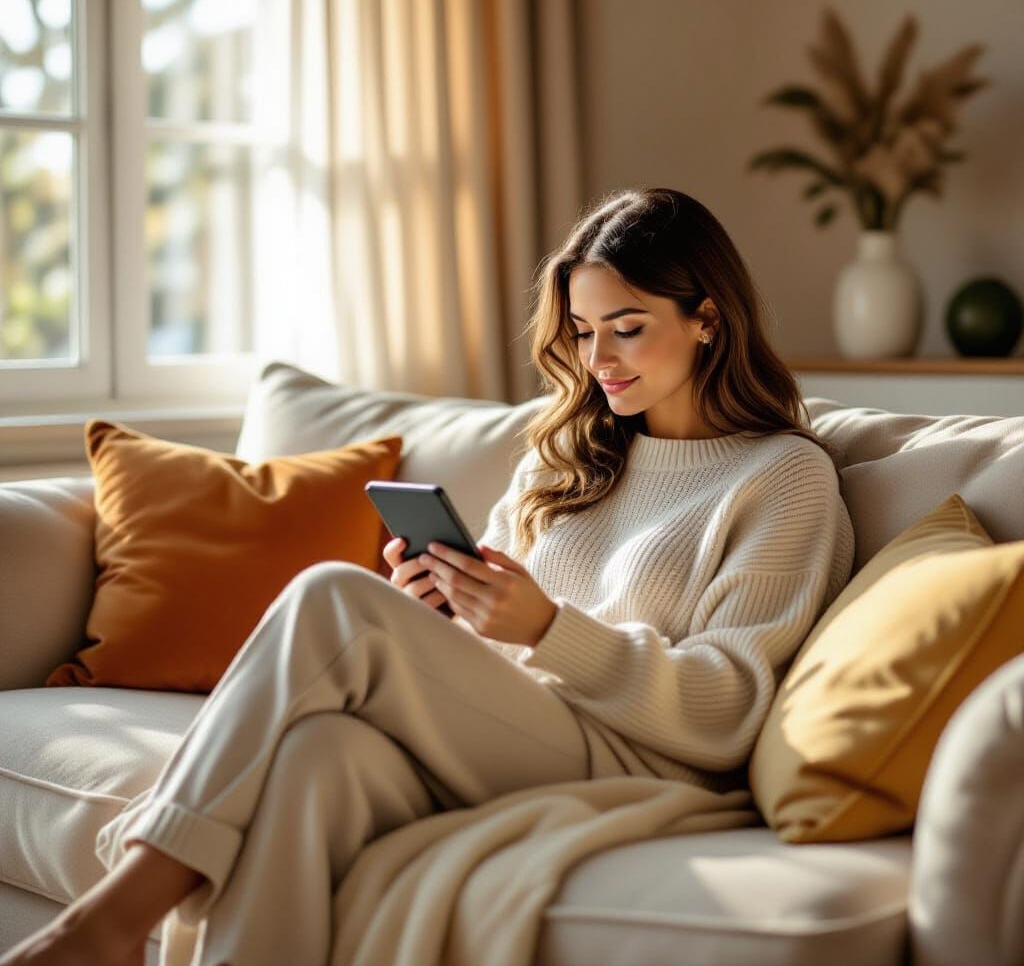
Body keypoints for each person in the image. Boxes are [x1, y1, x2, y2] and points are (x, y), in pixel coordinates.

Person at [1, 186, 854, 966]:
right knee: (316, 755)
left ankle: (105, 922)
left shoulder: (780, 476)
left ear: (707, 318)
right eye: (583, 331)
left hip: (635, 757)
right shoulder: (569, 454)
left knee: (333, 596)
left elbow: (733, 706)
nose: (599, 358)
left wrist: (549, 630)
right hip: (508, 720)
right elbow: (488, 633)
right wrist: (444, 610)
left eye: (626, 327)